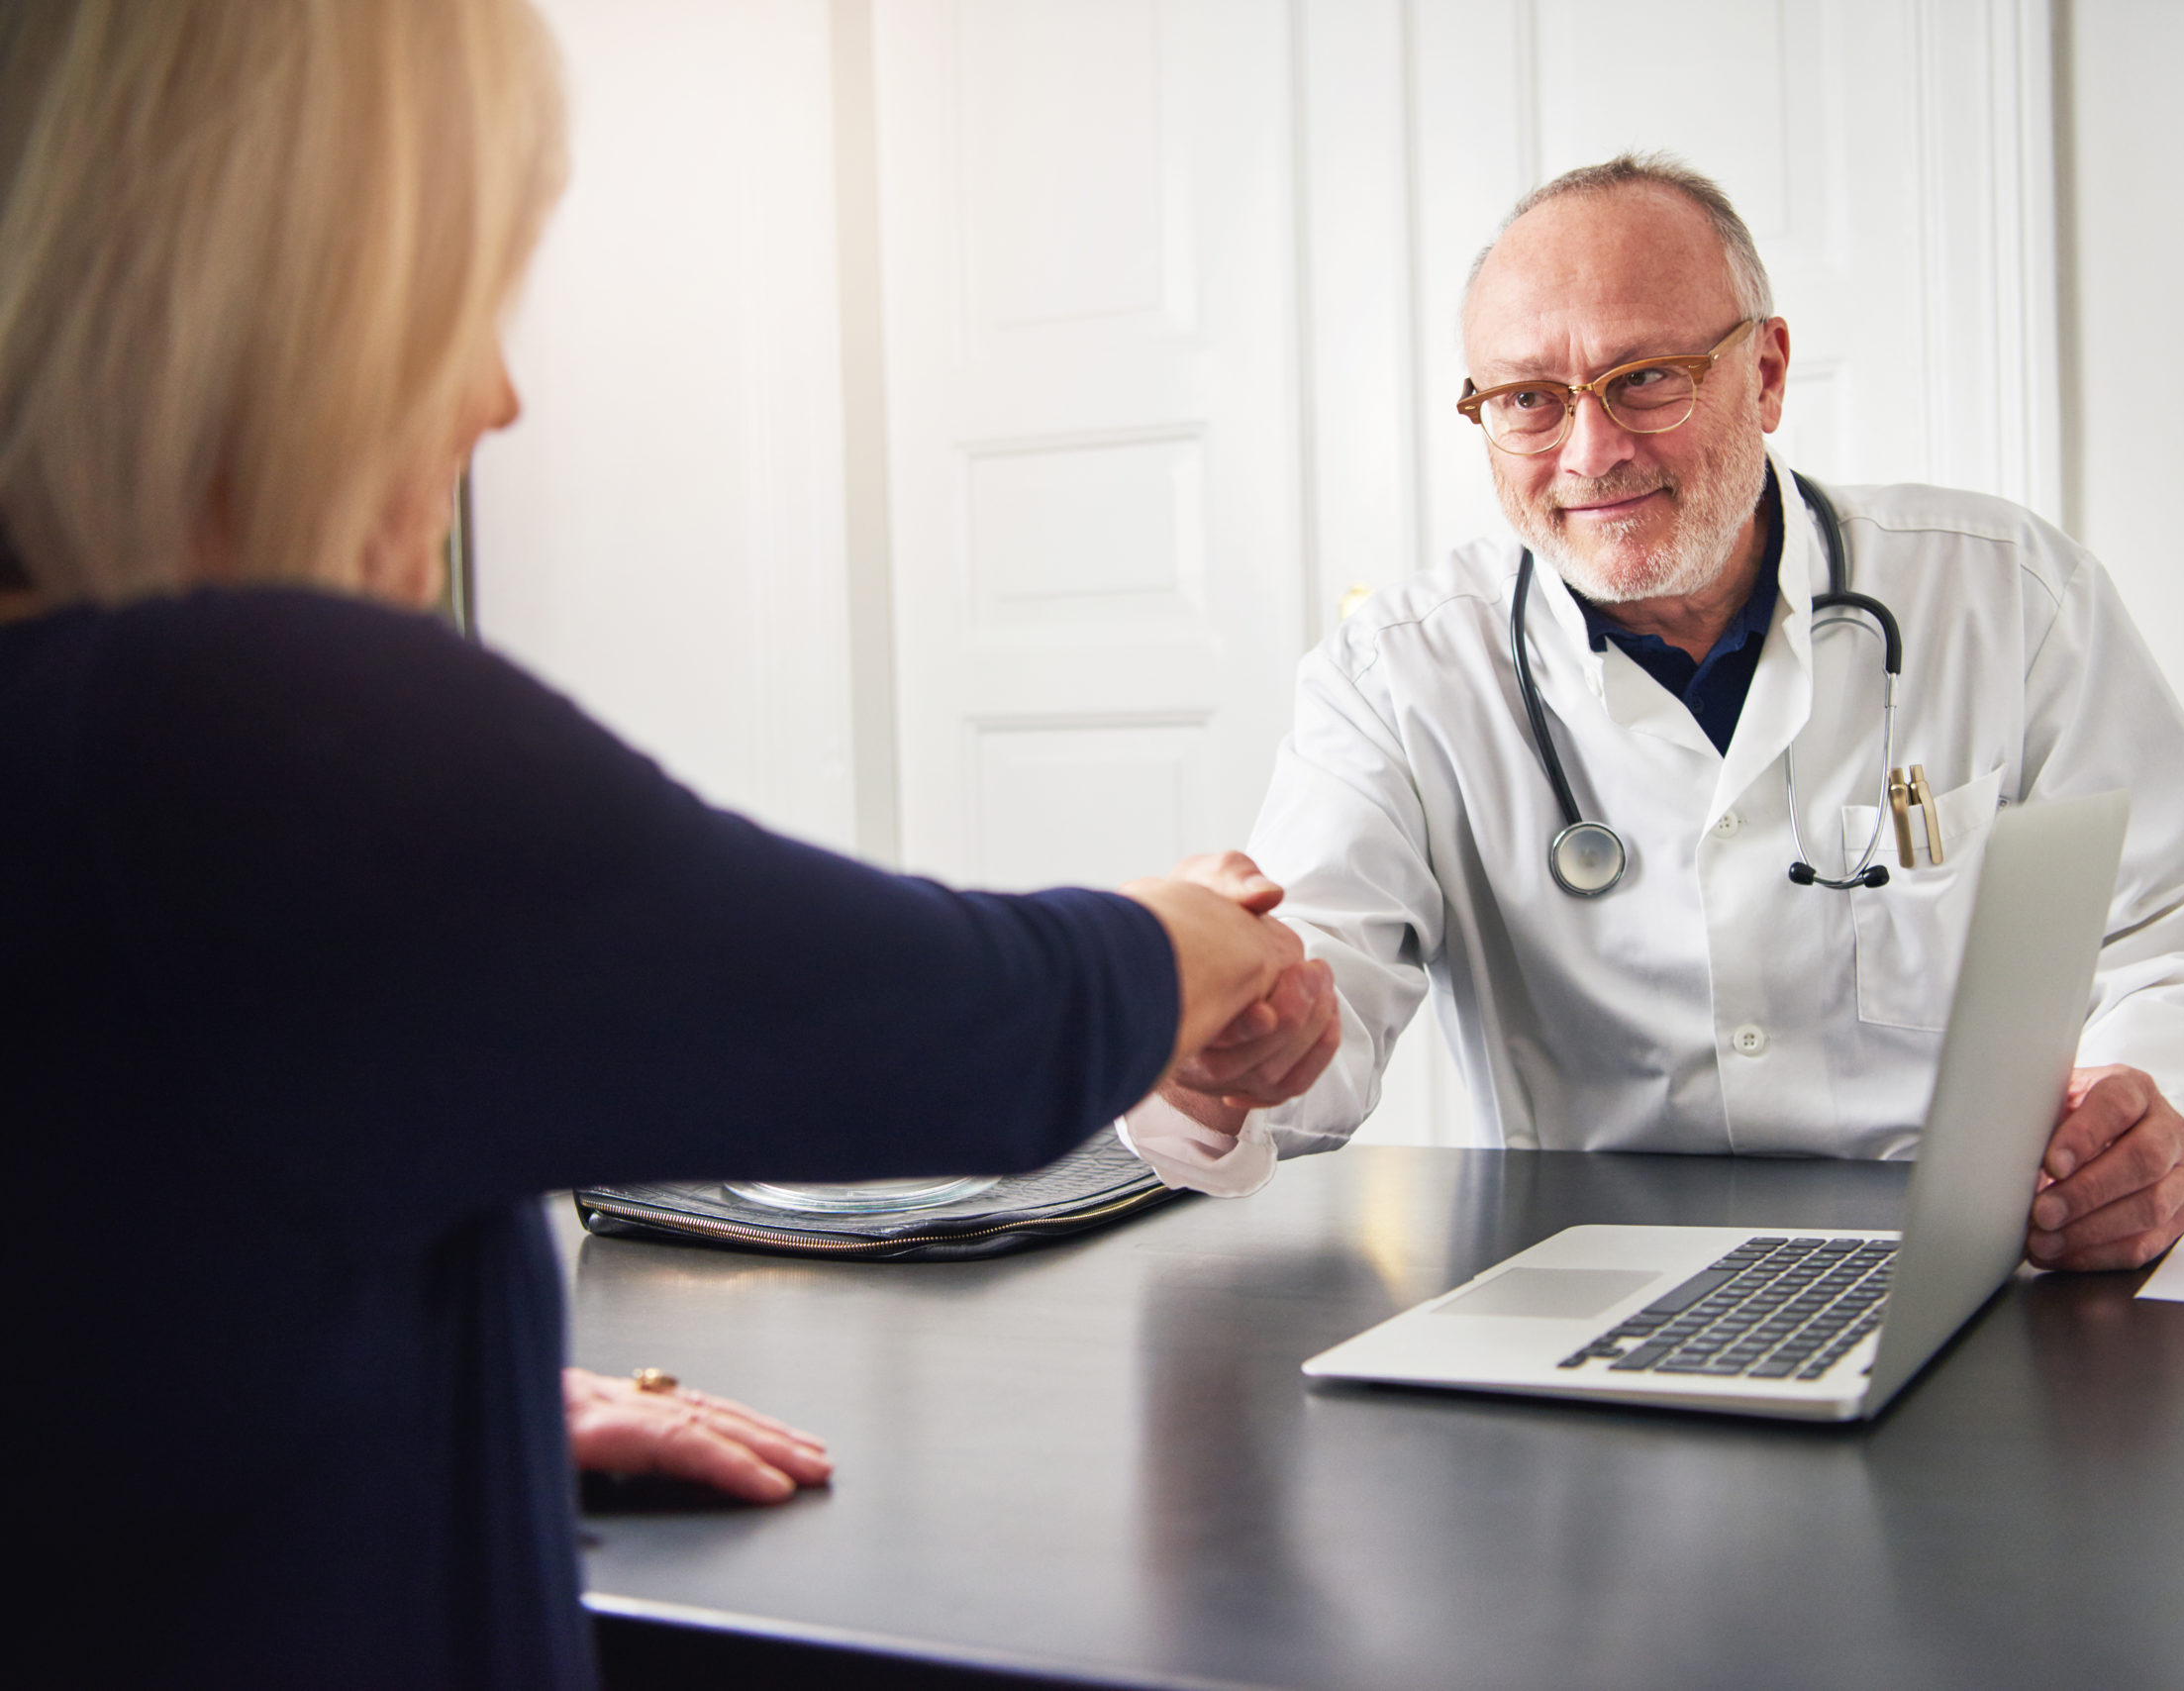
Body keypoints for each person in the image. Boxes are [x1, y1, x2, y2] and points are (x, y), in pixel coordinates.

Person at [0, 2, 1330, 1686]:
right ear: (280, 302)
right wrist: (1193, 932)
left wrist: (423, 1392)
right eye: (456, 296)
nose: (495, 394)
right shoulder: (230, 720)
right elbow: (950, 1025)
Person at [1125, 154, 2184, 1275]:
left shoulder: (2005, 596)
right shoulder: (1395, 676)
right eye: (1530, 399)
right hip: (1575, 1289)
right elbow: (1308, 986)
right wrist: (1221, 1038)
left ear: (1768, 372)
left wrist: (2154, 1121)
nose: (1590, 451)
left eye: (1645, 378)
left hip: (1967, 1267)